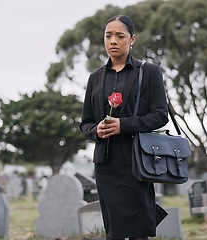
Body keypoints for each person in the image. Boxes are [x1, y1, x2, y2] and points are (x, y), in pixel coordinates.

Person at [79, 15, 169, 240]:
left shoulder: (149, 72)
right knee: (114, 232)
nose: (113, 41)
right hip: (106, 165)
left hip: (138, 163)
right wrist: (96, 131)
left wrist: (124, 125)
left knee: (139, 231)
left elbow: (160, 116)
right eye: (108, 36)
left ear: (132, 39)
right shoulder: (95, 78)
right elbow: (86, 122)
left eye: (120, 36)